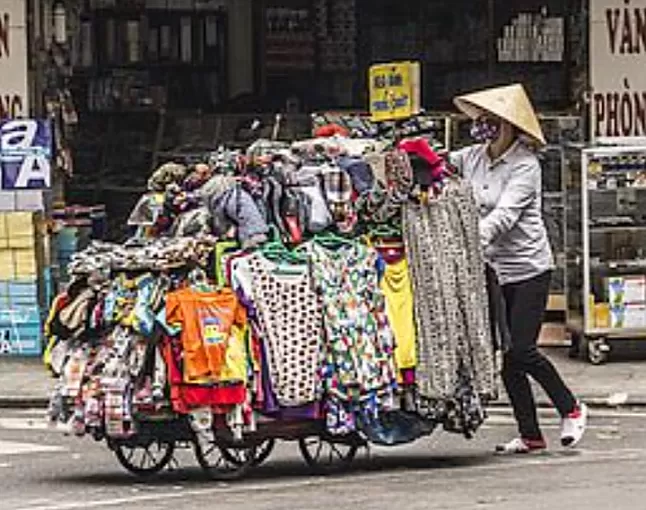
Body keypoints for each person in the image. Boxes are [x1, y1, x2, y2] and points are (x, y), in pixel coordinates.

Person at [449, 83, 588, 454]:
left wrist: (467, 242)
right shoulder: (473, 158)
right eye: (480, 119)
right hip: (495, 271)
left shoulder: (525, 166)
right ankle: (530, 435)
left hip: (529, 269)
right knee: (507, 358)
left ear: (510, 125)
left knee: (522, 349)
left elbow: (504, 216)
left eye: (492, 120)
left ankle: (571, 406)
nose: (483, 126)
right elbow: (442, 163)